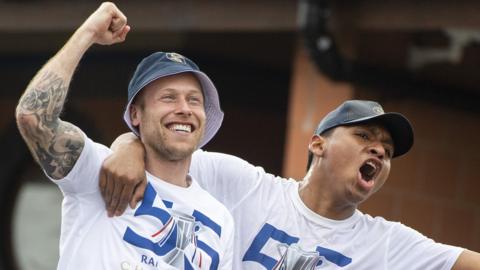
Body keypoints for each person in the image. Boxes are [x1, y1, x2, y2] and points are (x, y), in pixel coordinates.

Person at [103, 100, 480, 269]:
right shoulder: (246, 185)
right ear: (318, 144)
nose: (379, 150)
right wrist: (127, 144)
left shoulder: (386, 243)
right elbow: (167, 152)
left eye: (387, 149)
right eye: (365, 136)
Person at [15, 2, 234, 269]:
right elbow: (33, 116)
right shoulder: (98, 169)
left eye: (194, 100)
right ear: (135, 115)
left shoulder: (220, 218)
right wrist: (88, 33)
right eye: (168, 98)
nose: (184, 109)